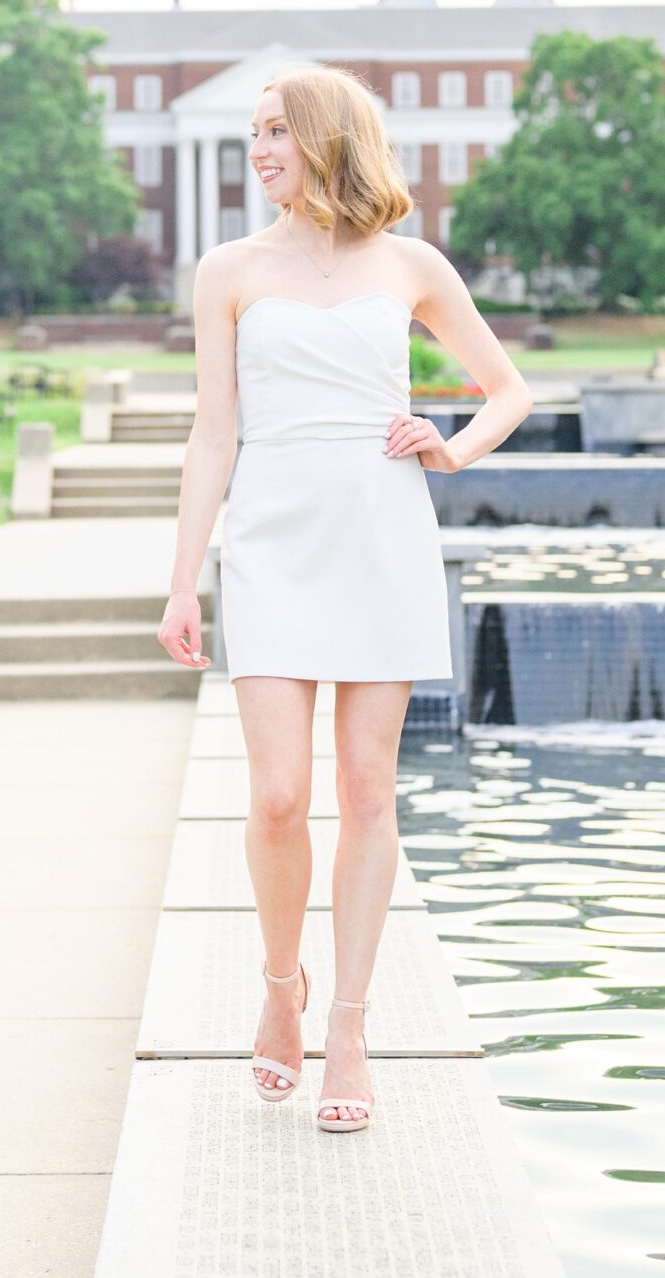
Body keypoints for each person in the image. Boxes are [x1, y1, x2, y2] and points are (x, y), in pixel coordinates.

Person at [157, 64, 531, 1134]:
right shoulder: (226, 268)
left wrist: (448, 446)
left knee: (366, 790)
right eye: (251, 133)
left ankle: (351, 1028)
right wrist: (183, 578)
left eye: (276, 130)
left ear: (328, 137)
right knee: (276, 794)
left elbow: (506, 387)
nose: (259, 150)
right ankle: (282, 989)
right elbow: (211, 431)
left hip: (381, 532)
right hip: (271, 539)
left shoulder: (409, 263)